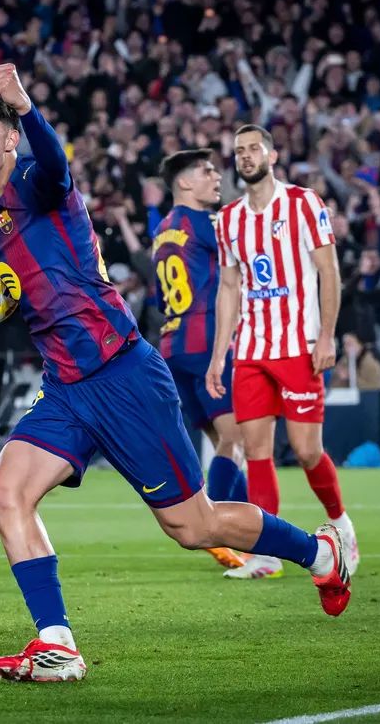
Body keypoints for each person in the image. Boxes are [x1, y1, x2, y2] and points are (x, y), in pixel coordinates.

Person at [0, 65, 351, 683]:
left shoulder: (34, 178)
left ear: (9, 137)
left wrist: (27, 105)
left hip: (123, 375)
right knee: (5, 495)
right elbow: (27, 288)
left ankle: (321, 553)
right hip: (67, 387)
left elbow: (56, 164)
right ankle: (57, 644)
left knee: (194, 525)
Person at [206, 125, 360, 580]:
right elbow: (229, 288)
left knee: (307, 450)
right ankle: (266, 553)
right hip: (251, 349)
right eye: (239, 151)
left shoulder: (304, 203)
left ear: (271, 155)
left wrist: (328, 334)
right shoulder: (229, 219)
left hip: (299, 347)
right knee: (255, 450)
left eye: (254, 149)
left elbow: (328, 271)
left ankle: (340, 523)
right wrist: (220, 355)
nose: (246, 156)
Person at [151, 148, 248, 572]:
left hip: (173, 344)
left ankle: (247, 529)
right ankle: (217, 527)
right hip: (209, 341)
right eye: (207, 171)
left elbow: (158, 297)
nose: (216, 177)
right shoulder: (208, 223)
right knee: (237, 439)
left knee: (221, 441)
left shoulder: (163, 231)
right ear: (185, 182)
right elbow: (241, 266)